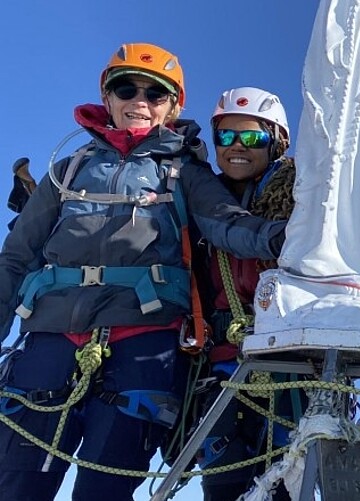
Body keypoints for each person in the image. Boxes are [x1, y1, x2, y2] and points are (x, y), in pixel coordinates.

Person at [0, 43, 286, 501]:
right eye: (126, 88)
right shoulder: (67, 171)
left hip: (142, 342)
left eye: (155, 93)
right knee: (17, 484)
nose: (140, 101)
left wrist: (284, 236)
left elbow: (226, 224)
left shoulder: (184, 172)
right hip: (50, 339)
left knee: (104, 489)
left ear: (173, 106)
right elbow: (16, 256)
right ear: (107, 97)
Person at [195, 86, 298, 501]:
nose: (237, 146)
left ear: (278, 141)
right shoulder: (198, 200)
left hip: (288, 361)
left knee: (288, 478)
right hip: (220, 360)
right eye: (226, 136)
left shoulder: (305, 196)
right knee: (223, 482)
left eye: (252, 137)